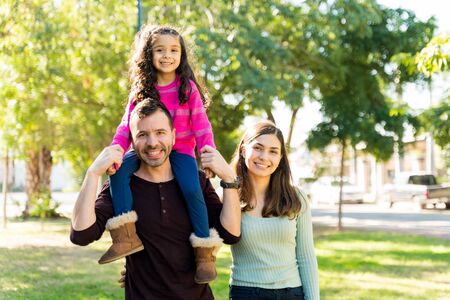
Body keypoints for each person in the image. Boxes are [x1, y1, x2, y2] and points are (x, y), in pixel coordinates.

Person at [70, 99, 241, 299]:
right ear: (132, 141)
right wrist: (92, 174)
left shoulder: (196, 182)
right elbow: (81, 235)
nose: (152, 143)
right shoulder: (121, 187)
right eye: (142, 135)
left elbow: (231, 234)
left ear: (173, 136)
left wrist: (229, 178)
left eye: (160, 132)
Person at [102, 25, 220, 283]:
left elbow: (201, 125)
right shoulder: (142, 89)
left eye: (174, 50)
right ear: (149, 54)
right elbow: (126, 125)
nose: (167, 55)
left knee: (191, 188)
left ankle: (204, 253)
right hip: (145, 151)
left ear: (181, 55)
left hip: (181, 151)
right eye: (160, 50)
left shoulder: (186, 88)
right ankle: (126, 237)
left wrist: (208, 153)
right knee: (119, 172)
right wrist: (117, 150)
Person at [228, 121, 320, 300]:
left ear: (280, 158)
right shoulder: (228, 196)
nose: (264, 157)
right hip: (246, 293)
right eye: (258, 148)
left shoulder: (296, 198)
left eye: (273, 151)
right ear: (244, 150)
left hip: (292, 293)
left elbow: (306, 257)